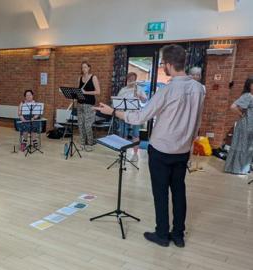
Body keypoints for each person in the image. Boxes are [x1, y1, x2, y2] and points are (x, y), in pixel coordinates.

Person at [95, 44, 205, 248]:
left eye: (163, 63)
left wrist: (112, 111)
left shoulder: (168, 89)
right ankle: (178, 235)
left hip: (162, 149)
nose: (163, 66)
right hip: (182, 150)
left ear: (170, 65)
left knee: (161, 193)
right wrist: (189, 146)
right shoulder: (199, 89)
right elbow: (197, 122)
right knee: (179, 192)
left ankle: (162, 235)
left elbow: (139, 117)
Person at [224, 78, 253, 175]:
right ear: (249, 85)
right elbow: (233, 107)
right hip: (245, 125)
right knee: (242, 146)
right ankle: (237, 169)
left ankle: (243, 168)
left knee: (248, 147)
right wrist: (241, 114)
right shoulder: (248, 96)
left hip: (250, 126)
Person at [117, 72, 147, 162]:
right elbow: (118, 101)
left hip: (135, 115)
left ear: (135, 80)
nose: (131, 80)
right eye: (129, 78)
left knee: (135, 134)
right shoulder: (123, 90)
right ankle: (123, 154)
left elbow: (145, 100)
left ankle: (135, 154)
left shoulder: (139, 88)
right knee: (123, 134)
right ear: (127, 79)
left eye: (133, 78)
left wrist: (140, 97)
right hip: (124, 114)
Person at [77, 61, 101, 152]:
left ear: (89, 68)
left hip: (89, 104)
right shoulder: (80, 78)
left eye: (85, 67)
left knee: (87, 125)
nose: (84, 69)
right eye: (82, 67)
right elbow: (78, 91)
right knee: (80, 125)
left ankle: (90, 143)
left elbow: (98, 92)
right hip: (80, 104)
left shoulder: (93, 77)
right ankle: (82, 143)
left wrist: (86, 92)